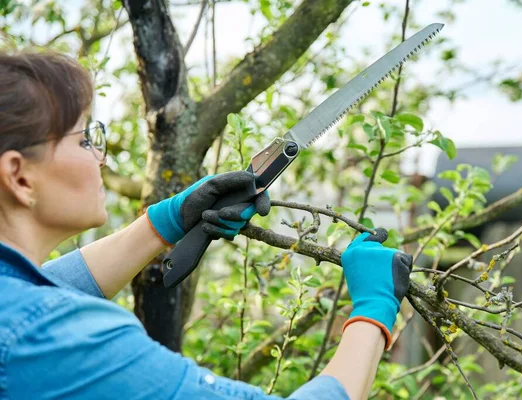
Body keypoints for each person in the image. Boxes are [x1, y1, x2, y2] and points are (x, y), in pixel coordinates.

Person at [0, 50, 413, 400]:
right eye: (84, 139)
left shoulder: (20, 312)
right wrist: (374, 310)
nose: (101, 157)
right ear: (20, 176)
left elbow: (40, 291)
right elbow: (38, 321)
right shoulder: (66, 339)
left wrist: (167, 220)